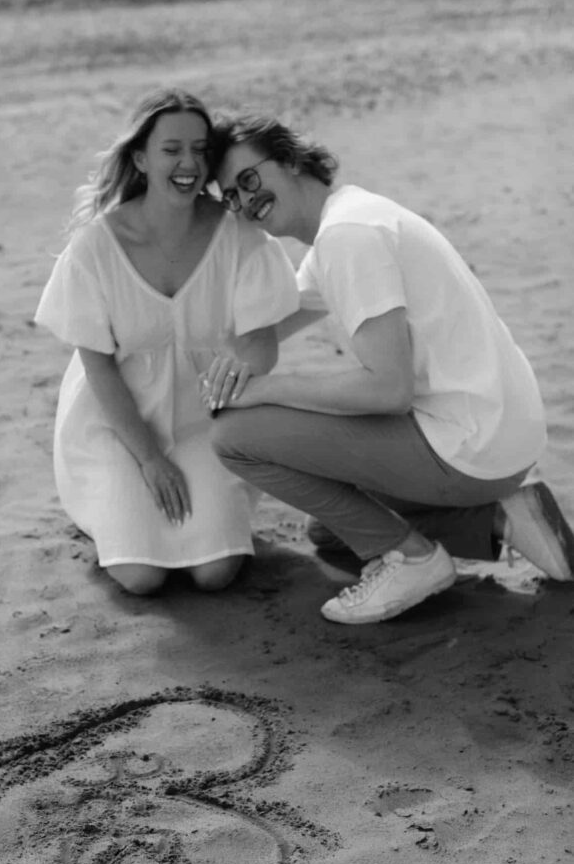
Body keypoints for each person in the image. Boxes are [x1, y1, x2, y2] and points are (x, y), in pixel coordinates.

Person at [209, 113, 574, 625]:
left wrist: (269, 390)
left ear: (290, 160)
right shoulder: (346, 223)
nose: (246, 202)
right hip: (501, 435)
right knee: (330, 532)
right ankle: (502, 518)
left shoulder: (348, 237)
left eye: (249, 180)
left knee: (235, 436)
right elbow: (257, 336)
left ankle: (414, 560)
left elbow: (388, 391)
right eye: (230, 197)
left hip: (468, 443)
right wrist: (231, 246)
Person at [33, 90, 301, 595]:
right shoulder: (95, 246)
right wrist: (151, 459)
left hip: (205, 423)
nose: (189, 164)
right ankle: (110, 509)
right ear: (140, 157)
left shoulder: (239, 237)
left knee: (215, 572)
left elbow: (261, 345)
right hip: (119, 426)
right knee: (141, 577)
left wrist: (240, 374)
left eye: (201, 150)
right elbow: (99, 369)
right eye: (172, 149)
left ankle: (181, 512)